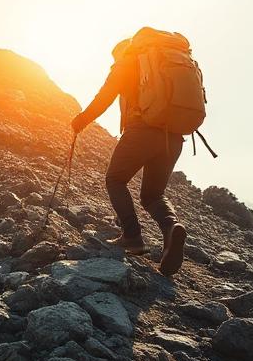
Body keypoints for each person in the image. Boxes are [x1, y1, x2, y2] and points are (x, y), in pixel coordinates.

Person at [71, 36, 187, 277]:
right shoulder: (166, 64)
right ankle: (171, 228)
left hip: (142, 132)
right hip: (173, 137)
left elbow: (105, 95)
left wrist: (81, 120)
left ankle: (132, 236)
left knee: (115, 179)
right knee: (153, 195)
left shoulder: (127, 62)